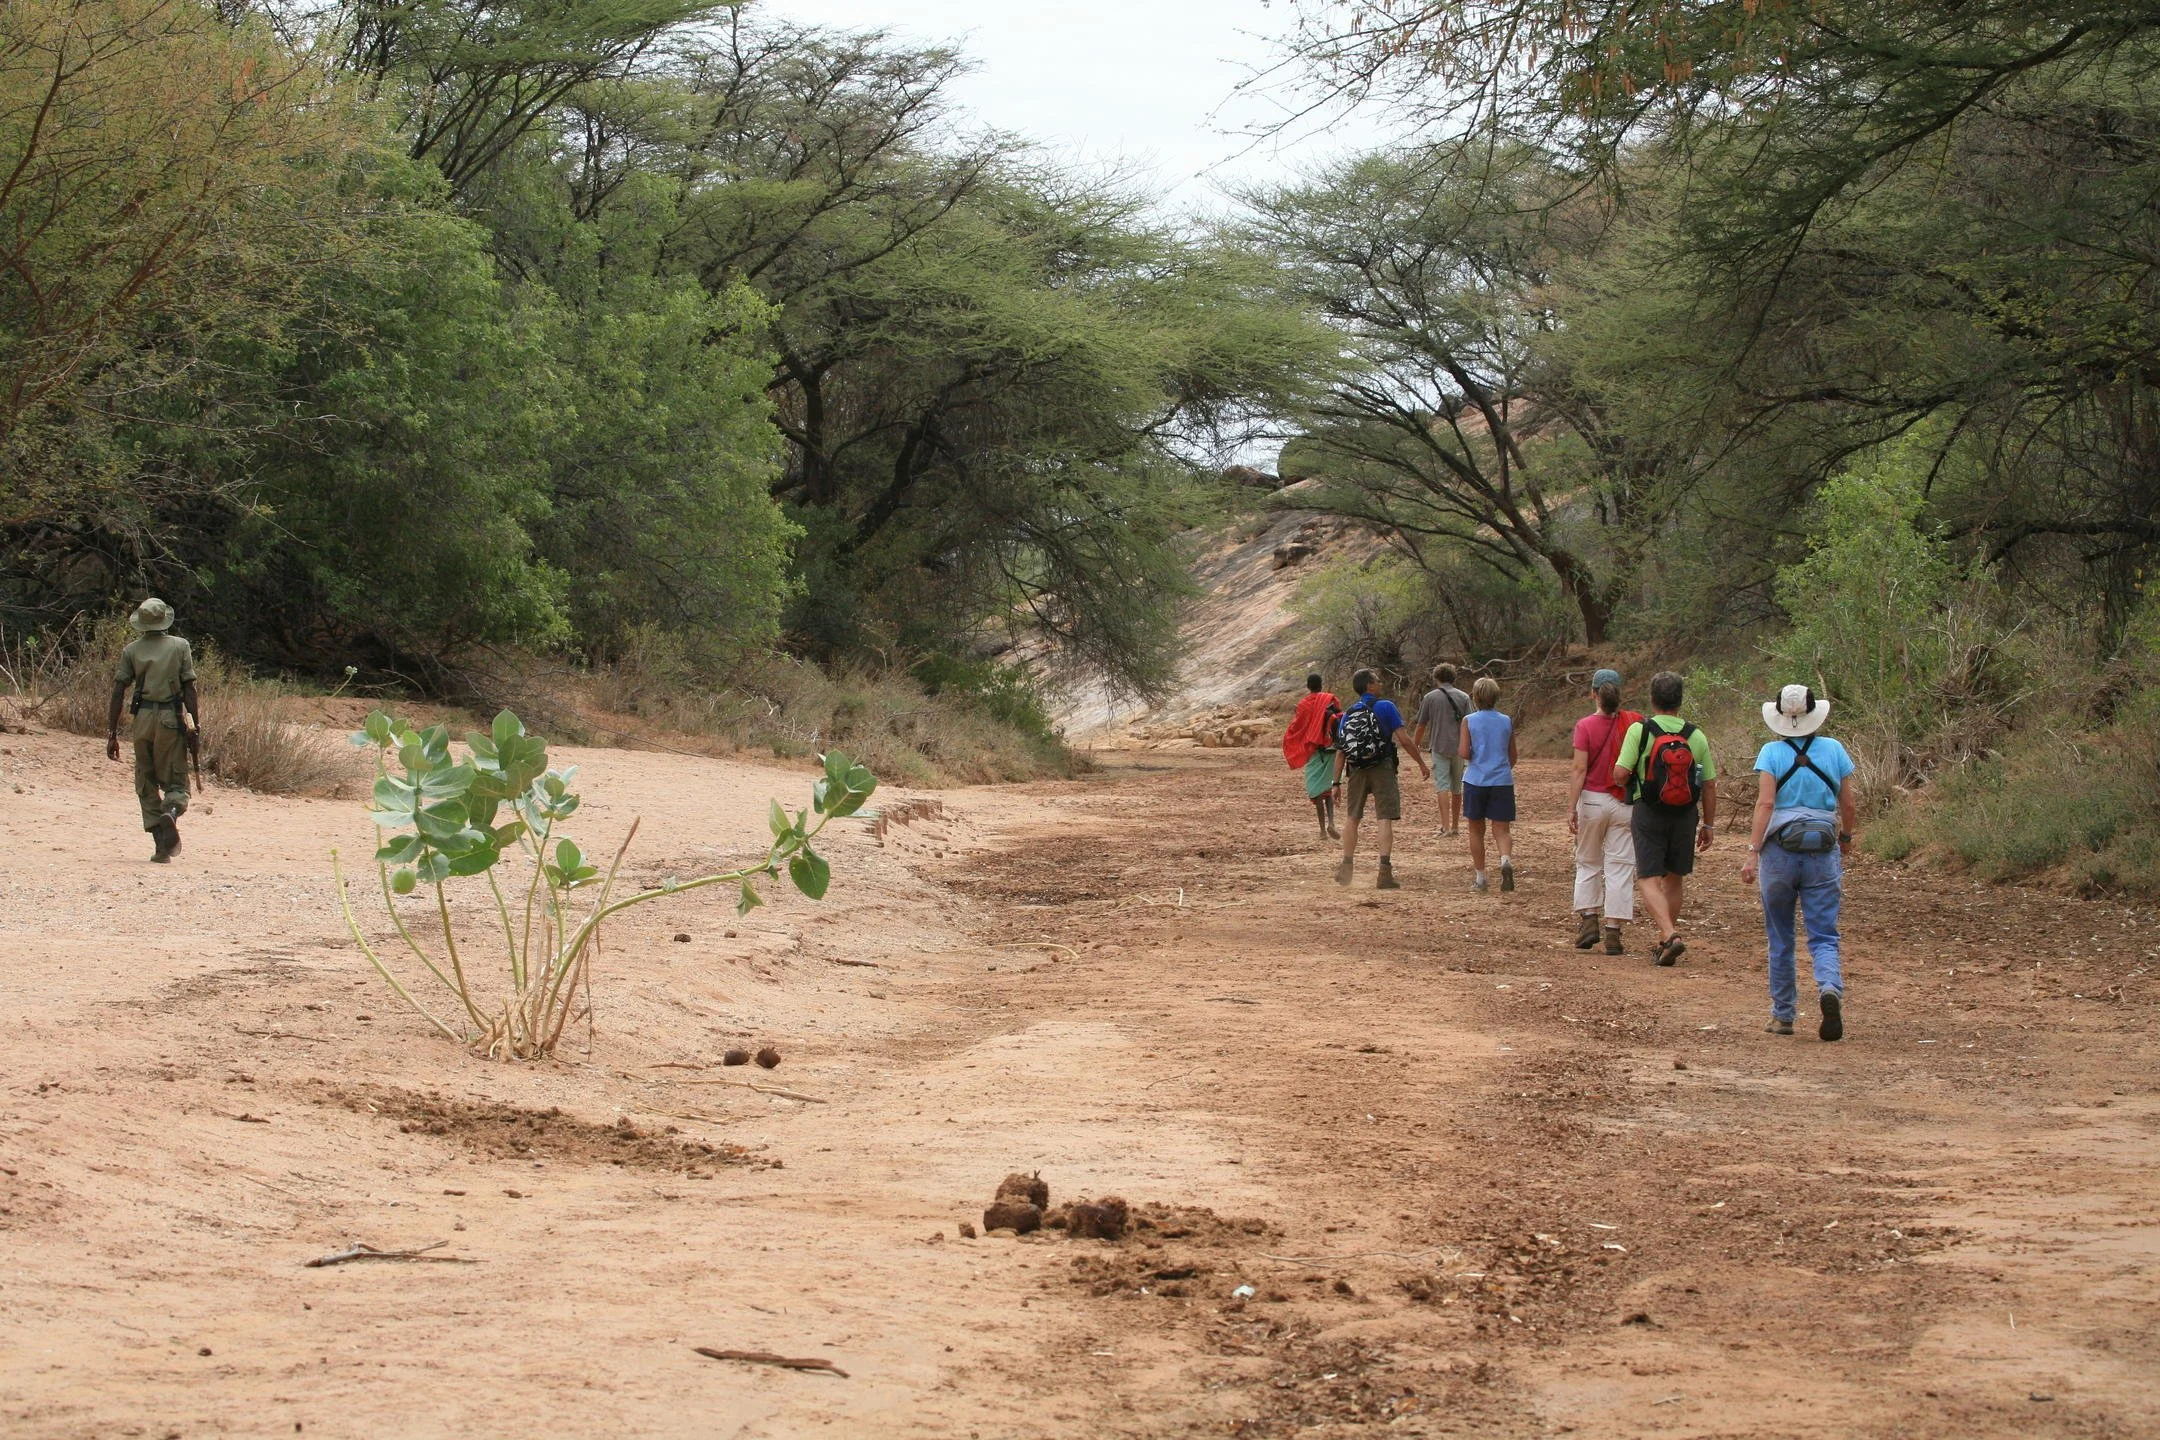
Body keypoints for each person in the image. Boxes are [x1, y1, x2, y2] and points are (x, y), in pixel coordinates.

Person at [1742, 684, 1859, 1042]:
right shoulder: (1835, 750)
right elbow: (1849, 805)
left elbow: (1765, 805)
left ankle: (1783, 1015)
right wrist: (1847, 838)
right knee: (1823, 934)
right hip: (1823, 849)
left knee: (1781, 936)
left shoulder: (1771, 753)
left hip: (1779, 851)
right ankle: (1829, 987)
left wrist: (1752, 850)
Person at [1612, 670, 1717, 965]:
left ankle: (1669, 934)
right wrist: (1708, 823)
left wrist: (1626, 777)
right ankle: (1664, 938)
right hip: (1685, 814)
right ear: (1680, 700)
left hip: (1649, 811)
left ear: (1652, 699)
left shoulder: (1640, 730)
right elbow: (1708, 783)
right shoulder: (1695, 735)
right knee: (1674, 878)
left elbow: (1620, 774)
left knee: (1647, 876)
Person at [106, 597, 199, 863]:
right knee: (176, 781)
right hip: (171, 717)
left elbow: (117, 691)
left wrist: (112, 733)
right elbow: (189, 689)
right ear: (164, 621)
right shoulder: (180, 646)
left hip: (142, 719)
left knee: (145, 780)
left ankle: (161, 845)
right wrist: (195, 727)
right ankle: (171, 809)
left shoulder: (131, 650)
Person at [1334, 668, 1430, 890]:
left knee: (1352, 817)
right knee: (1384, 818)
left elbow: (1341, 751)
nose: (1380, 683)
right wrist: (1421, 763)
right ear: (1369, 686)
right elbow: (1404, 740)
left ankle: (1346, 869)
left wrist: (1336, 783)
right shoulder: (1386, 707)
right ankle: (1384, 872)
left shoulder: (1349, 712)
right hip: (1382, 767)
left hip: (1356, 769)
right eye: (1376, 680)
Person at [1567, 668, 1640, 953]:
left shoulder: (1584, 726)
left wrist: (1571, 807)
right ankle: (1613, 932)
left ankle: (1588, 920)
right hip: (1624, 801)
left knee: (1587, 860)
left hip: (1593, 800)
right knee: (1620, 866)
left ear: (1593, 694)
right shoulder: (1634, 723)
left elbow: (1579, 769)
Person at [1459, 676, 1518, 893]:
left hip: (1476, 779)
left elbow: (1464, 752)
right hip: (1501, 780)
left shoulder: (1469, 720)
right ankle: (1505, 861)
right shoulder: (1506, 721)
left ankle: (1481, 878)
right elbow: (1513, 756)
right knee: (1502, 829)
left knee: (1476, 830)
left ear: (1475, 697)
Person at [1411, 663, 1473, 836]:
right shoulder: (1464, 697)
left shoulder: (1430, 698)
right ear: (1453, 678)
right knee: (1457, 788)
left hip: (1439, 747)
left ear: (1436, 678)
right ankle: (1455, 826)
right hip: (1460, 747)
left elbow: (1421, 724)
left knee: (1442, 786)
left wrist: (1414, 745)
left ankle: (1445, 826)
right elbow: (1472, 722)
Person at [1282, 673, 1344, 840]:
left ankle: (1323, 830)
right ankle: (1332, 823)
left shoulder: (1303, 704)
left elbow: (1299, 727)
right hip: (1331, 749)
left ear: (1308, 686)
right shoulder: (1330, 699)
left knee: (1316, 790)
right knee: (1328, 788)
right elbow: (1340, 718)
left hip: (1314, 750)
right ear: (1321, 685)